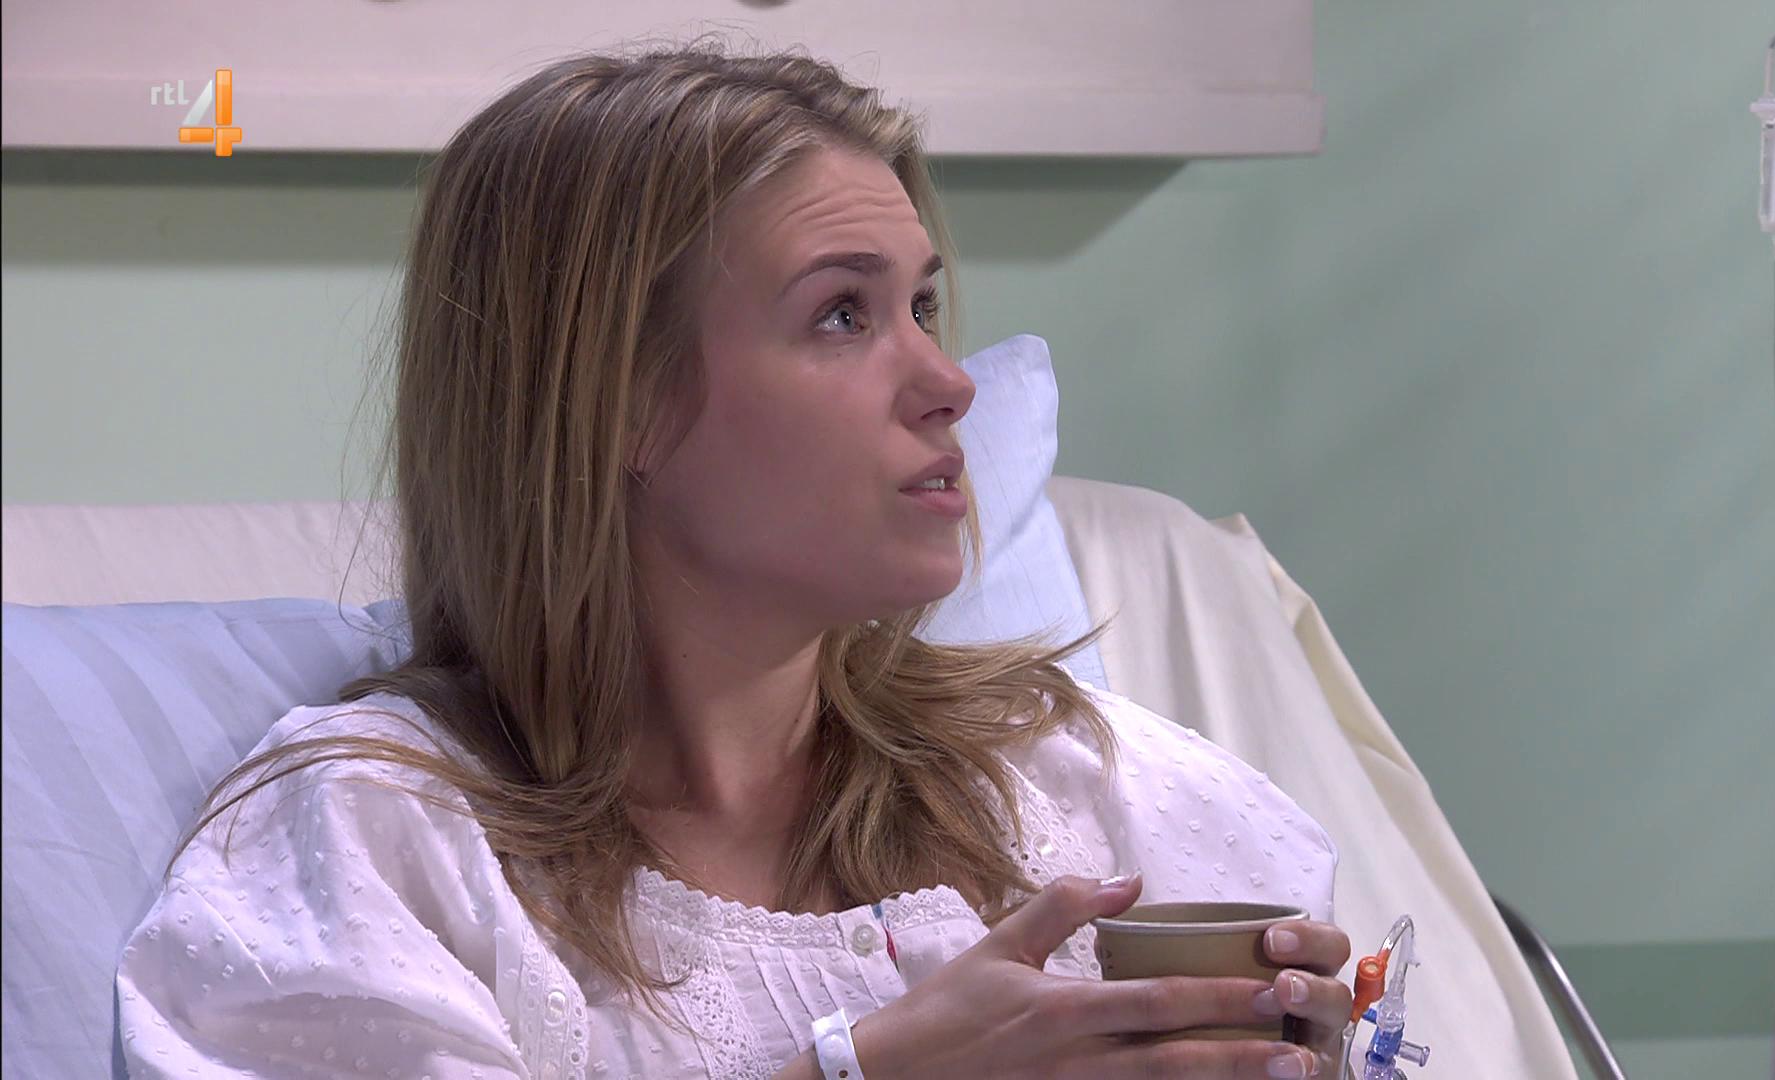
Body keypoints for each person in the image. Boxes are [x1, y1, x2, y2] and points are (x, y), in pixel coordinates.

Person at [115, 46, 1351, 1080]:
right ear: (617, 404)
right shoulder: (384, 848)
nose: (947, 382)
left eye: (922, 306)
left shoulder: (1082, 785)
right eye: (842, 314)